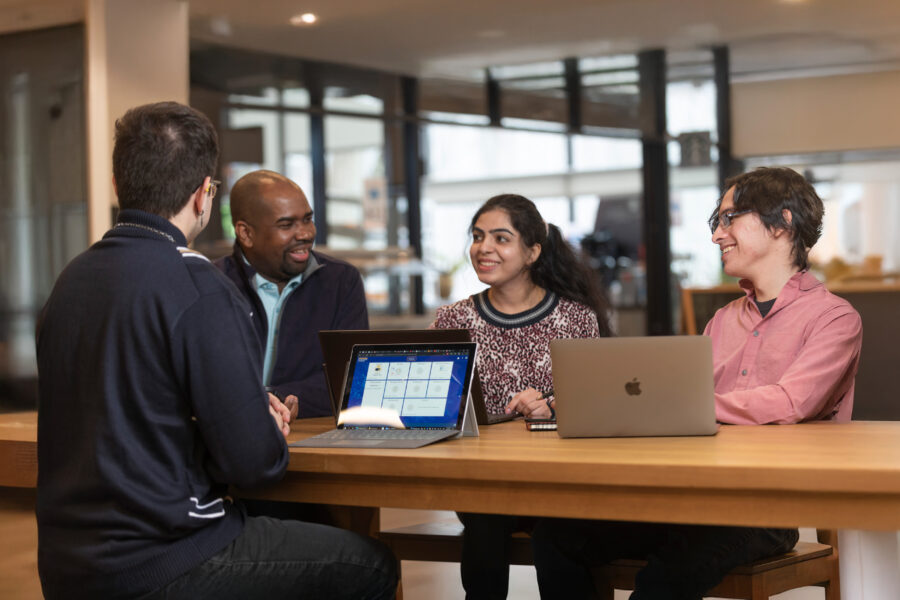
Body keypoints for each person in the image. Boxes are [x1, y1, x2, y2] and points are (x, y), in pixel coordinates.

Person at [35, 102, 396, 600]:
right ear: (205, 194)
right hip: (171, 556)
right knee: (373, 564)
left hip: (67, 564)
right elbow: (256, 466)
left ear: (119, 186)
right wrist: (263, 423)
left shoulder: (71, 279)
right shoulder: (198, 285)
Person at [531, 167, 863, 599]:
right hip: (692, 498)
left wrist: (684, 402)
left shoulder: (834, 319)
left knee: (664, 577)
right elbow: (676, 403)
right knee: (557, 535)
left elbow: (790, 402)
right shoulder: (723, 320)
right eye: (716, 222)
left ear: (782, 223)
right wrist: (585, 402)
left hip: (765, 511)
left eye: (729, 219)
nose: (716, 235)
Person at [432, 193, 612, 599]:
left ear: (532, 251)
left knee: (559, 530)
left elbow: (597, 406)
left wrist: (551, 407)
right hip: (484, 481)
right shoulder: (451, 320)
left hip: (561, 481)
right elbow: (443, 412)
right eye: (478, 237)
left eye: (500, 238)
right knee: (486, 512)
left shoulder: (575, 317)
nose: (483, 248)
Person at [216, 170, 368, 419]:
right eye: (286, 225)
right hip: (229, 435)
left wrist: (275, 398)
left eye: (308, 219)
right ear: (246, 234)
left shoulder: (342, 282)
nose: (305, 234)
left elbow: (352, 380)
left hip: (312, 437)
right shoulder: (211, 284)